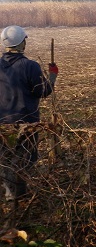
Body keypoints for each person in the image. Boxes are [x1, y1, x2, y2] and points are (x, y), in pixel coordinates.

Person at [0, 25, 58, 201]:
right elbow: (43, 91)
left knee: (6, 158)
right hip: (26, 122)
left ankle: (12, 192)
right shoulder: (30, 66)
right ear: (21, 43)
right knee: (26, 157)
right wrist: (53, 76)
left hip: (2, 122)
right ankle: (16, 195)